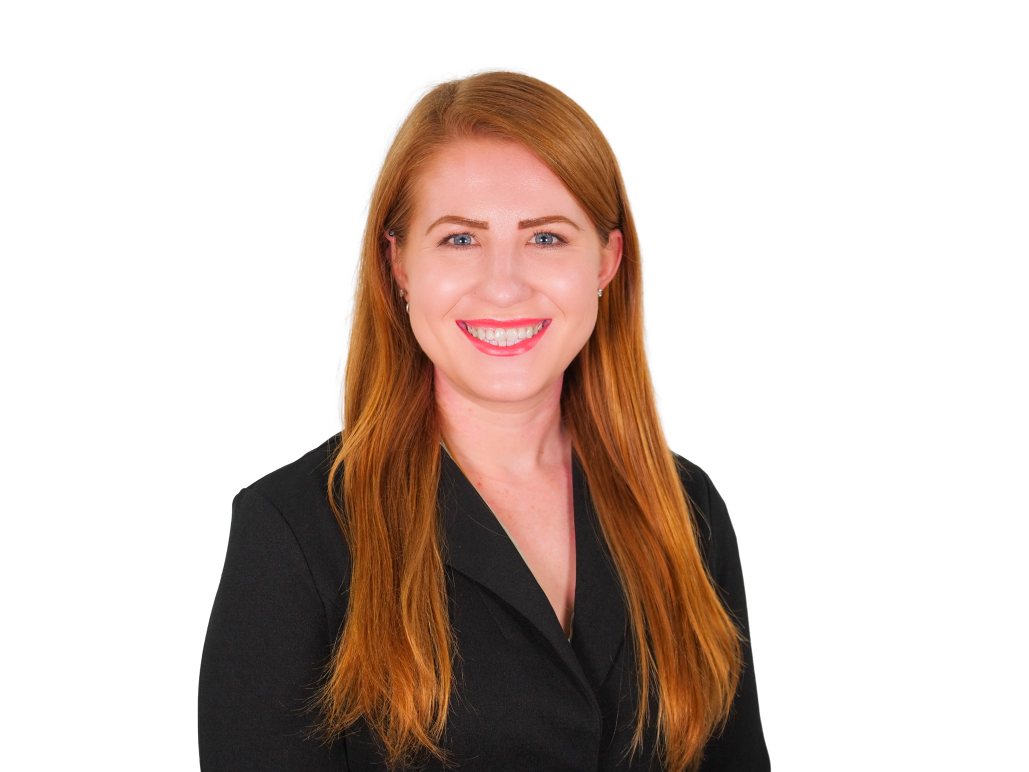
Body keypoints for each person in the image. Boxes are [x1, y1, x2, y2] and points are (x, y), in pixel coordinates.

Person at [199, 71, 770, 771]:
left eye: (547, 239)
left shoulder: (686, 510)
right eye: (460, 241)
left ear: (607, 261)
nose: (503, 285)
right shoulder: (294, 532)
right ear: (398, 264)